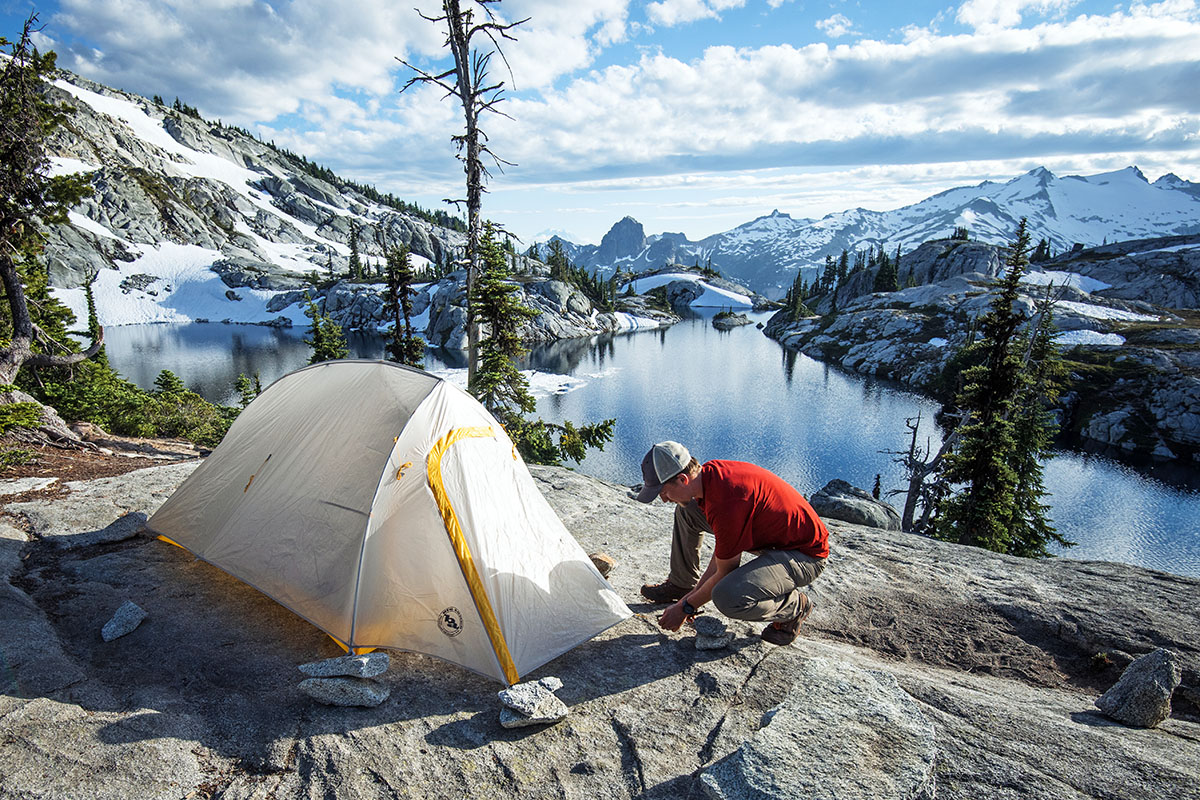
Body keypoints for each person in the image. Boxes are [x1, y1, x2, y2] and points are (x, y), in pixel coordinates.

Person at [635, 441, 829, 645]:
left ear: (683, 479)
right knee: (687, 511)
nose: (664, 499)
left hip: (805, 556)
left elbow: (724, 572)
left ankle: (795, 607)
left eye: (663, 492)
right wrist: (690, 597)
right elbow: (722, 557)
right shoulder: (708, 477)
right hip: (772, 541)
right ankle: (682, 584)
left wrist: (686, 607)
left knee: (727, 596)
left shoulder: (727, 502)